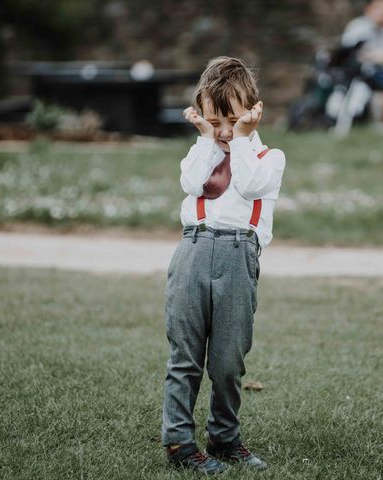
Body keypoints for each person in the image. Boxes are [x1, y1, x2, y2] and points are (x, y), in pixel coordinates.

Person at [161, 56, 286, 475]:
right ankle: (179, 442)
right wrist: (205, 140)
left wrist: (245, 139)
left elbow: (250, 185)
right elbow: (192, 184)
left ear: (254, 110)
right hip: (193, 251)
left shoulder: (270, 157)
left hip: (238, 256)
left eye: (231, 119)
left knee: (228, 362)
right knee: (185, 355)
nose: (224, 131)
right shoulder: (202, 152)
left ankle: (224, 437)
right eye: (214, 120)